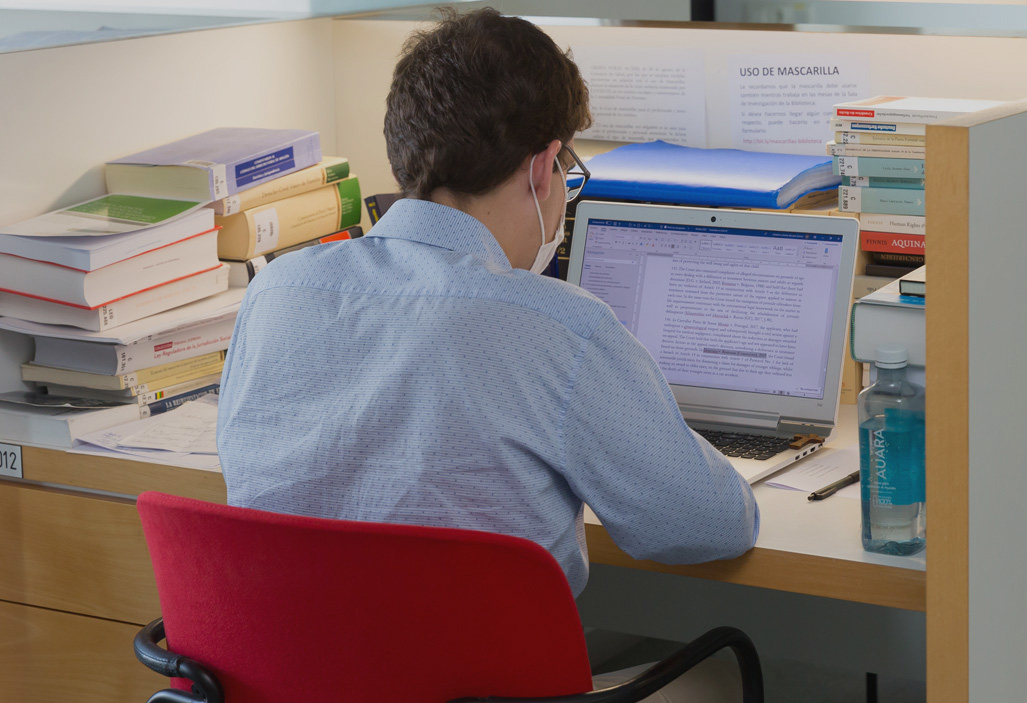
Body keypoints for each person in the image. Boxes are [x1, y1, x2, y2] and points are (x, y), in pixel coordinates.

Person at [218, 7, 756, 606]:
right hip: (486, 687)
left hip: (298, 683)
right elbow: (708, 525)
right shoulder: (560, 326)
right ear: (543, 169)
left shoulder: (275, 293)